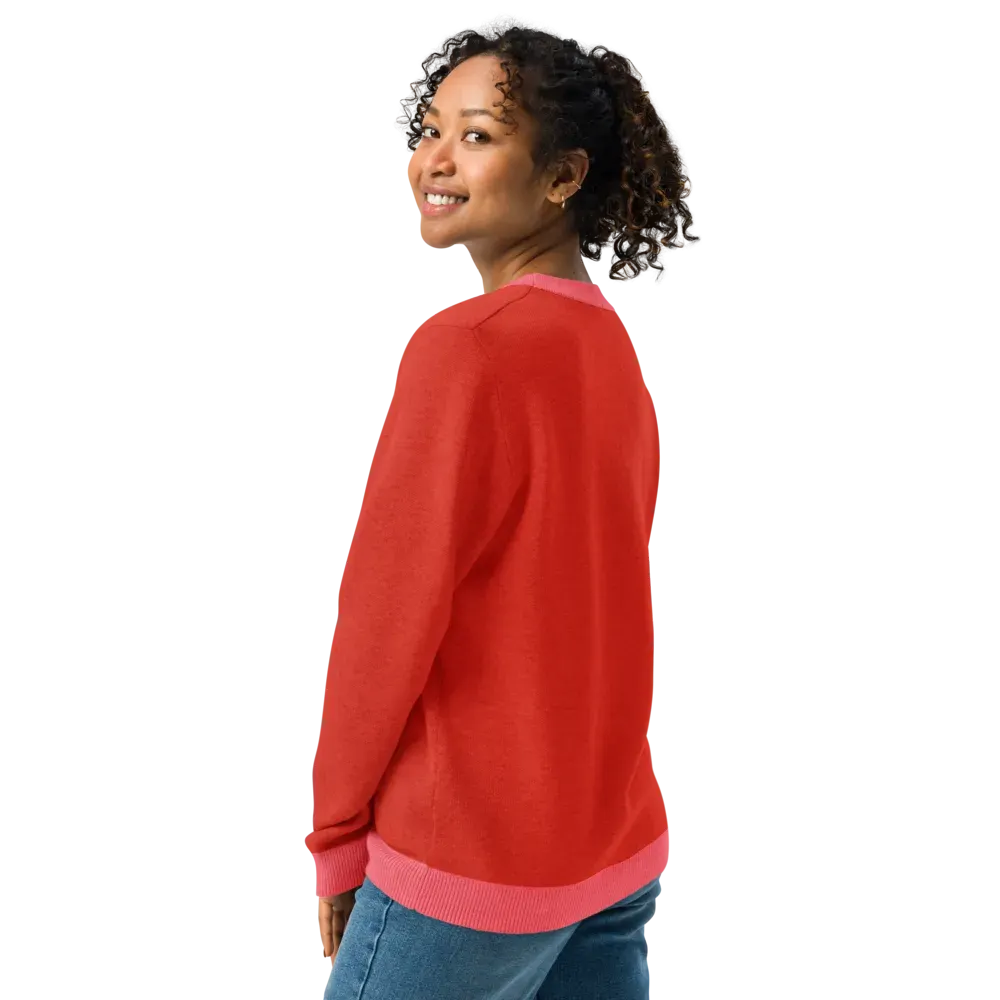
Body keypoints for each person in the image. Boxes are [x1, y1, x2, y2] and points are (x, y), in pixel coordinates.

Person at [308, 13, 695, 999]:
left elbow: (387, 620)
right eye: (430, 129)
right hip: (610, 851)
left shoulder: (466, 349)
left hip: (470, 864)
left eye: (477, 136)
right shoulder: (611, 349)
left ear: (563, 176)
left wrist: (336, 833)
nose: (432, 162)